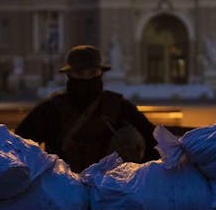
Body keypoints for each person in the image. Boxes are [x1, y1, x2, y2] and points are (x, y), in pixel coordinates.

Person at [14, 45, 156, 172]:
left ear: (100, 73)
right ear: (70, 75)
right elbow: (19, 146)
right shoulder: (50, 109)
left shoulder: (119, 106)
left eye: (92, 73)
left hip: (108, 187)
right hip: (64, 186)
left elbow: (153, 142)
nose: (87, 78)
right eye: (80, 73)